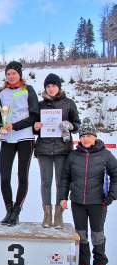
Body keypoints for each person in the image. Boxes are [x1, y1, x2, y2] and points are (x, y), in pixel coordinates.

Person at [59, 118, 117, 265]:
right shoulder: (73, 155)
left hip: (98, 202)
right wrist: (63, 197)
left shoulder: (105, 155)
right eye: (83, 135)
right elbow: (65, 178)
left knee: (97, 234)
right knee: (81, 234)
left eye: (89, 135)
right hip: (78, 202)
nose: (86, 138)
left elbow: (115, 175)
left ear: (95, 137)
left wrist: (111, 194)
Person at [0, 61, 39, 226]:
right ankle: (8, 209)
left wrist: (16, 126)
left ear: (20, 74)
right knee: (4, 177)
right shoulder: (1, 92)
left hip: (25, 138)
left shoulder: (28, 90)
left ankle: (17, 210)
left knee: (22, 176)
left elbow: (34, 115)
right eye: (8, 74)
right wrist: (0, 127)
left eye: (13, 73)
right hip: (7, 138)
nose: (11, 76)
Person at [34, 73, 80, 228]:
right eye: (48, 86)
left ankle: (59, 215)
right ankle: (47, 215)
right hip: (44, 149)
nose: (51, 88)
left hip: (63, 149)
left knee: (62, 182)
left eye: (53, 85)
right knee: (46, 182)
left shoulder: (68, 103)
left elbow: (77, 124)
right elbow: (33, 126)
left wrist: (70, 125)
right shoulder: (40, 105)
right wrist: (36, 127)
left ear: (58, 87)